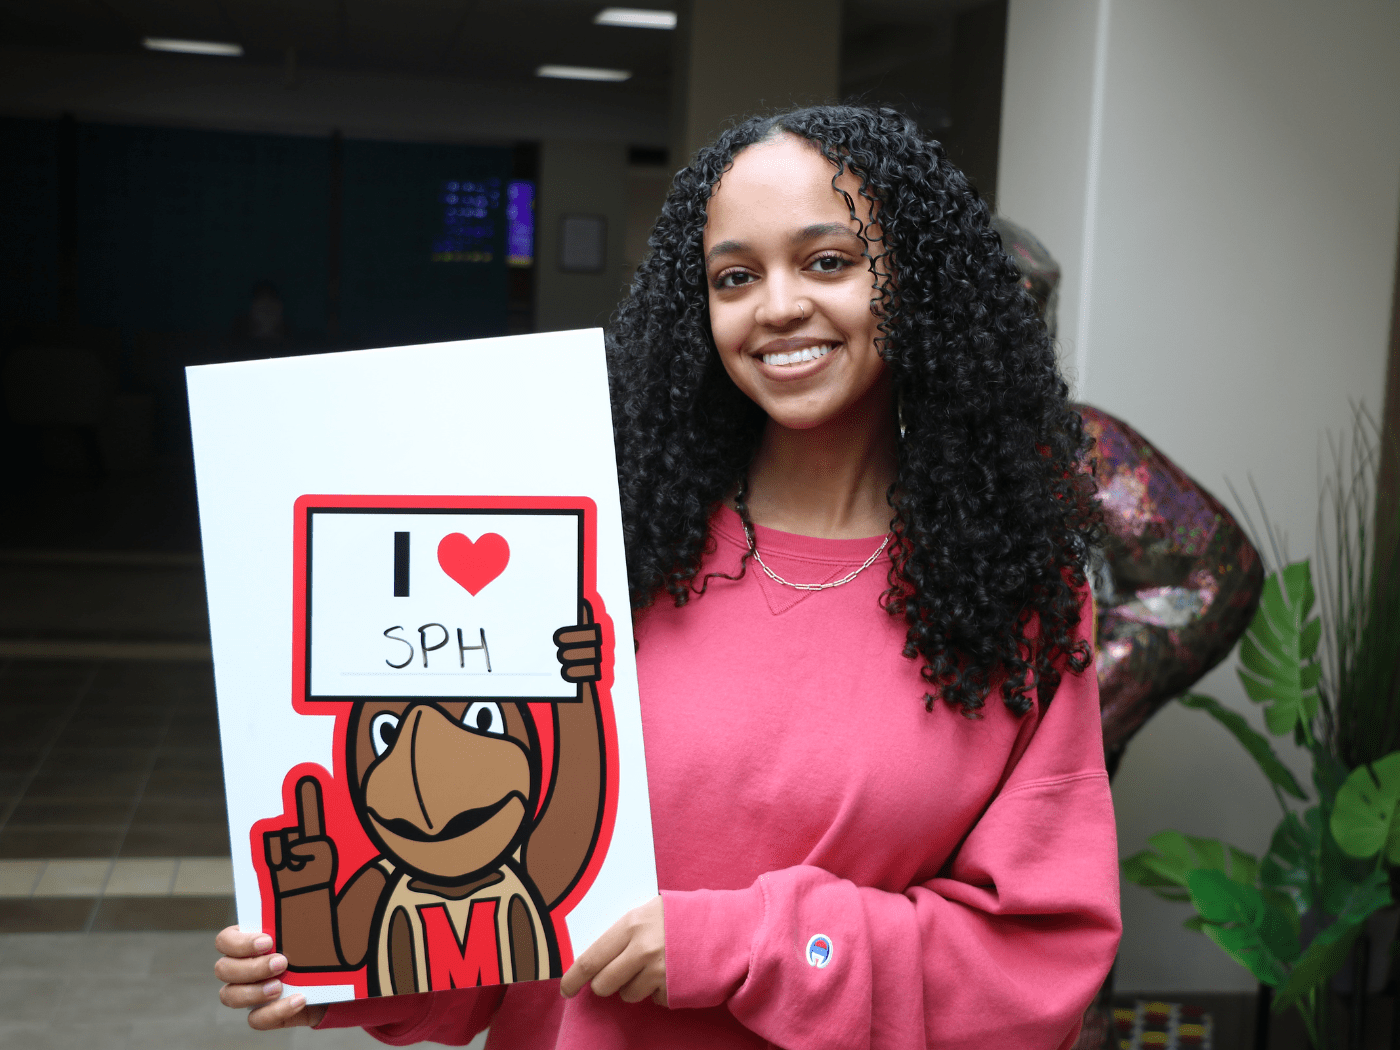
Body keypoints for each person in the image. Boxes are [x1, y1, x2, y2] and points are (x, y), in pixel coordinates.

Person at [213, 105, 1122, 1049]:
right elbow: (496, 903)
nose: (777, 306)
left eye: (827, 261)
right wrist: (336, 965)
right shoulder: (599, 554)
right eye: (735, 276)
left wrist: (742, 943)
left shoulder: (1014, 595)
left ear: (917, 281)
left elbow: (1034, 965)